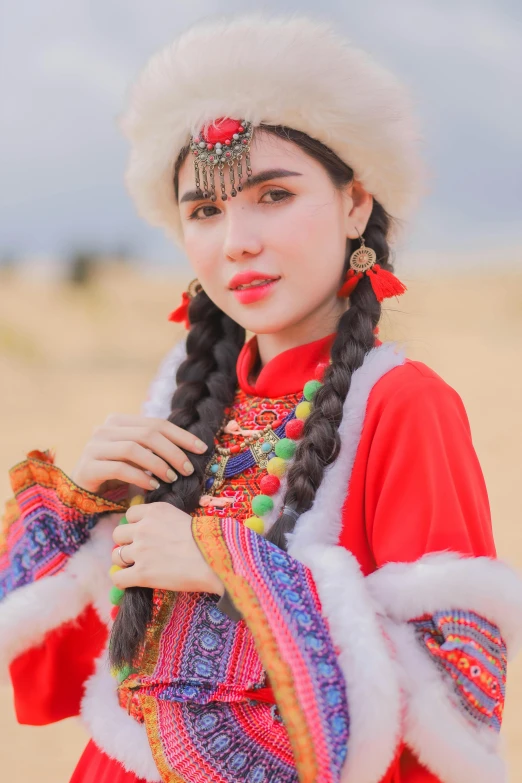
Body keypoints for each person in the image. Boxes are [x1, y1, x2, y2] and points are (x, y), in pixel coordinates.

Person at [1, 13, 521, 783]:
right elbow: (59, 681)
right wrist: (84, 519)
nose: (235, 239)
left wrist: (230, 564)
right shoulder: (178, 403)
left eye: (272, 195)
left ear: (354, 206)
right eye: (204, 211)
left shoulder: (404, 404)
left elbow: (456, 694)